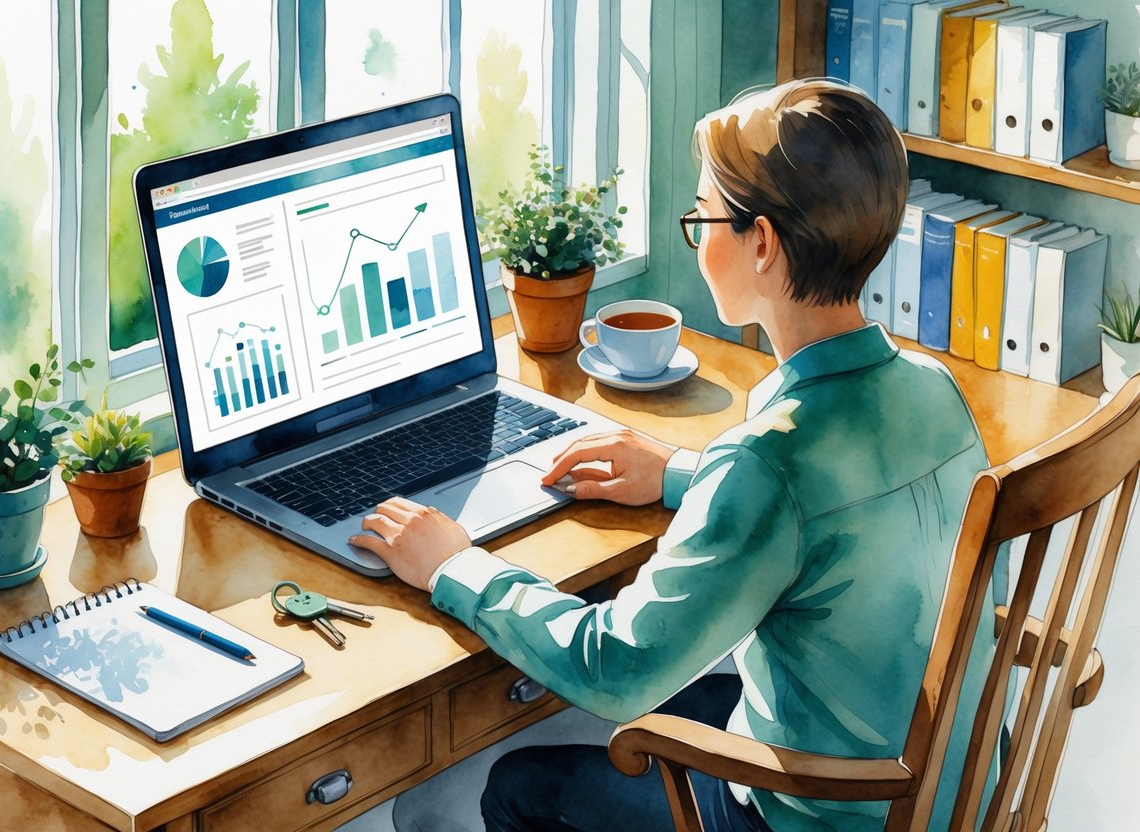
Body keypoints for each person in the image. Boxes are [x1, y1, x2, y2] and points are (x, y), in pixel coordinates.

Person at [349, 79, 992, 831]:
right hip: (948, 785)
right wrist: (679, 472)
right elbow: (830, 505)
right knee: (684, 696)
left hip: (830, 813)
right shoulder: (931, 388)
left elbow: (616, 671)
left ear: (762, 242)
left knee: (522, 784)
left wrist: (452, 565)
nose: (698, 237)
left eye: (703, 217)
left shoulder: (766, 462)